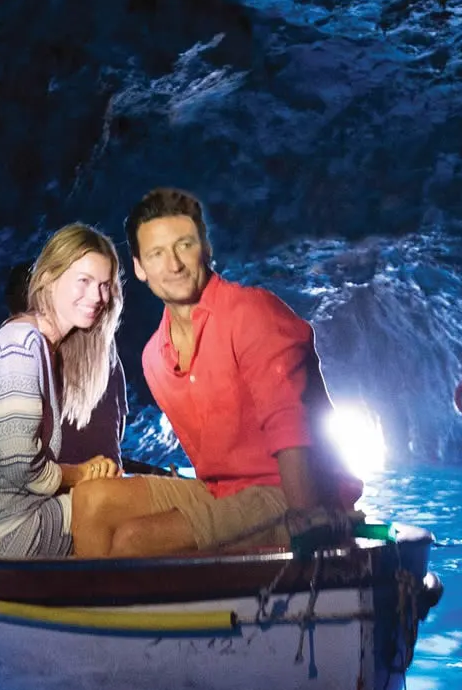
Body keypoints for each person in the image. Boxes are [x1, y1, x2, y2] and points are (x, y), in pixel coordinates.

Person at [70, 188, 361, 557]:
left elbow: (289, 424)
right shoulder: (154, 358)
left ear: (206, 248)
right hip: (224, 493)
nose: (173, 265)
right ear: (140, 267)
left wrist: (309, 522)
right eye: (157, 254)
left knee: (136, 540)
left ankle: (123, 608)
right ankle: (92, 611)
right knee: (92, 498)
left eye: (184, 245)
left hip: (295, 492)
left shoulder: (250, 313)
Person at [0, 225, 125, 557]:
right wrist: (81, 473)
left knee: (122, 499)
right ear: (49, 277)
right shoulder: (20, 347)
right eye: (83, 281)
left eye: (104, 285)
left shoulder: (43, 346)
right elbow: (20, 465)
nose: (97, 297)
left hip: (6, 522)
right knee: (127, 507)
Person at [5, 258, 128, 465]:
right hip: (109, 479)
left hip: (55, 486)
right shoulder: (104, 349)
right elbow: (120, 427)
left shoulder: (17, 353)